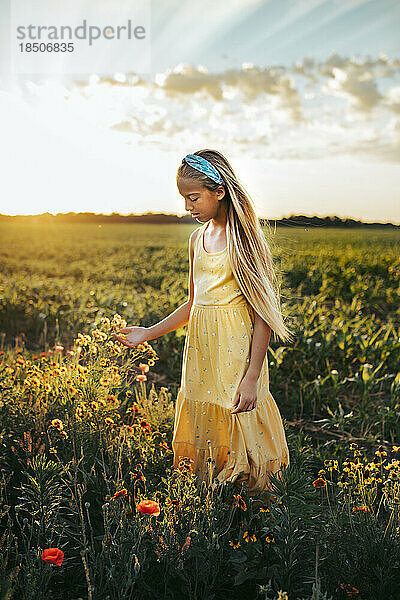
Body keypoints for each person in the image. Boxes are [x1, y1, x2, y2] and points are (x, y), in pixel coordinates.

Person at [112, 149, 294, 503]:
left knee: (237, 408)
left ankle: (251, 495)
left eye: (193, 198)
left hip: (236, 347)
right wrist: (148, 333)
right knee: (203, 404)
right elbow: (194, 303)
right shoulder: (197, 239)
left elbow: (263, 315)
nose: (187, 207)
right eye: (184, 199)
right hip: (202, 345)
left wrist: (253, 375)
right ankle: (214, 489)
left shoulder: (245, 241)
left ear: (219, 192)